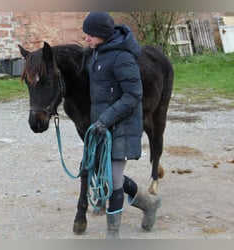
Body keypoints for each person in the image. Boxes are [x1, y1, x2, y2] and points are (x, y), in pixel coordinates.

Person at [82, 12, 161, 239]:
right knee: (107, 176)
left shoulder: (122, 58)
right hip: (103, 127)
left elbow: (133, 95)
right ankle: (149, 203)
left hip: (121, 127)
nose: (86, 38)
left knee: (114, 180)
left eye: (90, 34)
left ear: (104, 35)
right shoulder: (97, 53)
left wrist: (105, 119)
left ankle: (112, 234)